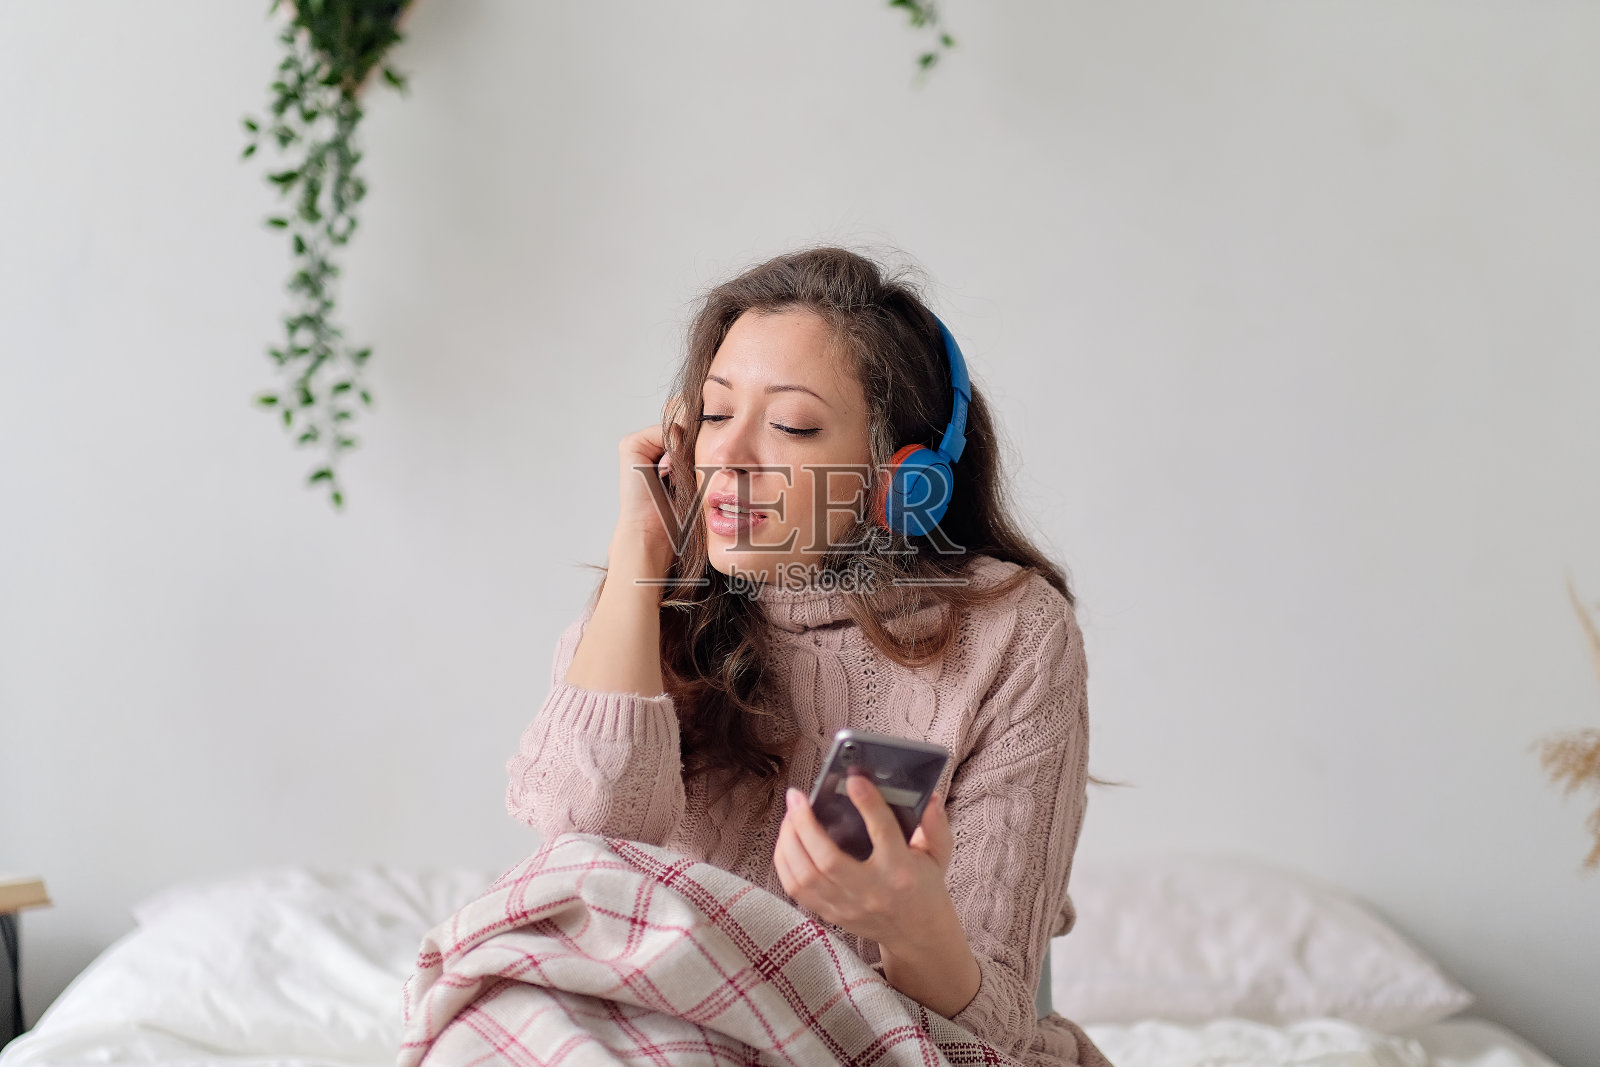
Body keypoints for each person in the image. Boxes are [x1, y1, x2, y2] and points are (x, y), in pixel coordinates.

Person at [506, 246, 1112, 1067]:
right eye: (715, 415)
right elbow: (578, 840)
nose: (729, 457)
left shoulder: (1014, 631)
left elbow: (996, 1020)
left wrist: (908, 923)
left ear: (903, 478)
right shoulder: (649, 595)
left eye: (789, 424)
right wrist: (639, 550)